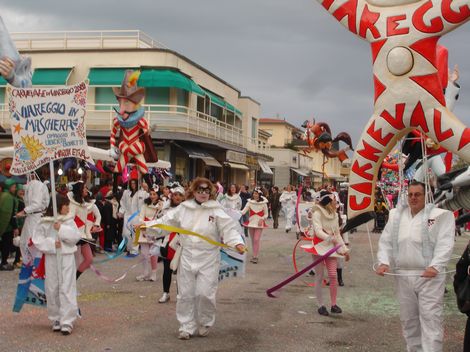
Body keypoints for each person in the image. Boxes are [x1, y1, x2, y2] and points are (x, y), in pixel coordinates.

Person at [144, 177, 246, 340]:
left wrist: (237, 243)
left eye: (206, 191)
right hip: (186, 256)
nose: (203, 194)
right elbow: (165, 222)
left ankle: (205, 321)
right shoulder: (183, 209)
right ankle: (186, 325)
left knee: (204, 293)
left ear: (211, 192)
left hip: (208, 258)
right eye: (200, 191)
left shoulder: (216, 210)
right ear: (193, 191)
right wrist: (146, 227)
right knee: (185, 294)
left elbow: (229, 229)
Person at [376, 181, 455, 352]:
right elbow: (386, 241)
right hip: (402, 276)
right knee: (409, 321)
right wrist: (384, 262)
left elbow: (445, 242)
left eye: (417, 194)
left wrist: (436, 266)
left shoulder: (440, 216)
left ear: (425, 195)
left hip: (429, 277)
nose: (413, 198)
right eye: (410, 194)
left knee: (431, 320)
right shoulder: (396, 215)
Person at [32, 194, 82, 335]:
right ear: (59, 206)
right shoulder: (44, 222)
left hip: (66, 257)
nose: (68, 208)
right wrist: (51, 243)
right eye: (66, 205)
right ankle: (55, 318)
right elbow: (37, 239)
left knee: (67, 286)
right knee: (52, 287)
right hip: (52, 257)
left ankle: (67, 320)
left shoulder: (68, 221)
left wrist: (61, 229)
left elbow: (75, 237)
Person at [309, 190, 350, 316]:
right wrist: (330, 238)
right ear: (327, 201)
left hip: (331, 248)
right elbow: (318, 231)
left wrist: (344, 250)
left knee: (333, 275)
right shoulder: (317, 213)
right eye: (333, 200)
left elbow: (337, 233)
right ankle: (320, 305)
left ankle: (333, 304)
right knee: (319, 276)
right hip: (319, 247)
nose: (335, 202)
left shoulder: (335, 215)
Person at [67, 181, 101, 280]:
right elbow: (70, 219)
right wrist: (75, 232)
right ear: (79, 190)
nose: (87, 189)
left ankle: (73, 281)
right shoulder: (73, 205)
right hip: (76, 237)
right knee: (76, 262)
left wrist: (93, 227)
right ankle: (72, 286)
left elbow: (88, 219)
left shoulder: (84, 203)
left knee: (89, 259)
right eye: (84, 188)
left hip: (84, 236)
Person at [157, 184, 185, 303]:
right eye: (175, 195)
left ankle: (181, 294)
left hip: (182, 242)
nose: (177, 197)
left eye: (180, 195)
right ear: (171, 197)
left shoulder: (187, 210)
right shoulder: (166, 209)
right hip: (168, 241)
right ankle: (166, 293)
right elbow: (159, 224)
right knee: (167, 269)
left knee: (181, 271)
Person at [15, 174, 49, 266]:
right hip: (32, 217)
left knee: (33, 242)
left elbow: (36, 204)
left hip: (35, 218)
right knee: (25, 242)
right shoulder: (33, 185)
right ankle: (30, 264)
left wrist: (24, 211)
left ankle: (35, 265)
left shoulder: (37, 185)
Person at [135, 187, 163, 281]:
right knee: (143, 253)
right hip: (144, 230)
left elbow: (162, 219)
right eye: (150, 194)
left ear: (158, 195)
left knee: (153, 253)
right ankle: (145, 272)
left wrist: (160, 208)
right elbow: (140, 217)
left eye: (154, 194)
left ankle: (154, 273)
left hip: (155, 231)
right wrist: (143, 227)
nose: (152, 196)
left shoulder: (162, 205)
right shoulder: (145, 205)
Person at [119, 179, 148, 256]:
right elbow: (122, 203)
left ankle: (134, 251)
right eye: (131, 183)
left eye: (134, 183)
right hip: (127, 215)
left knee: (135, 234)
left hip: (137, 215)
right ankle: (129, 248)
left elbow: (148, 202)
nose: (133, 185)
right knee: (125, 233)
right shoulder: (126, 192)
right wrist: (121, 212)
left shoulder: (143, 193)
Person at [241, 188, 268, 264]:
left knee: (256, 239)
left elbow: (266, 214)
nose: (254, 195)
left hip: (259, 223)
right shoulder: (249, 202)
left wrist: (262, 219)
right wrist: (233, 212)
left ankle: (255, 256)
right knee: (253, 240)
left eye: (256, 193)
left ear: (259, 195)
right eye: (254, 193)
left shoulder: (264, 203)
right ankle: (254, 254)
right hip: (251, 223)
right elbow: (243, 212)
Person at [0, 179, 19, 270]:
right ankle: (4, 262)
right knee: (6, 245)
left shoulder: (3, 195)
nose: (15, 189)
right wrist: (15, 227)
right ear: (9, 187)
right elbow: (9, 214)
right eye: (14, 187)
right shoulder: (8, 197)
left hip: (4, 225)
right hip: (7, 227)